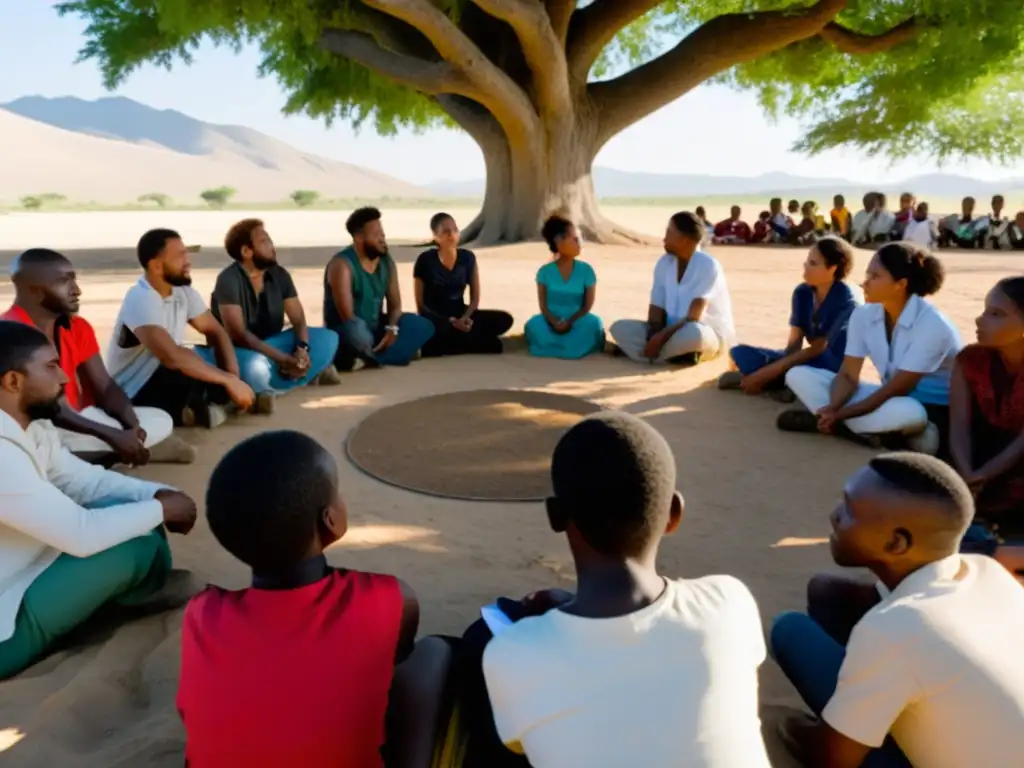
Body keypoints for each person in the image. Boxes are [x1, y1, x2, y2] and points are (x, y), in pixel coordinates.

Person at [482, 412, 771, 768]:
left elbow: (519, 746)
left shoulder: (511, 652)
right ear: (674, 513)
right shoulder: (730, 602)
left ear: (555, 516)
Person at [178, 429, 451, 766]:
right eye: (336, 493)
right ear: (330, 520)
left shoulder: (202, 614)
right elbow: (396, 661)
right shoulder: (388, 598)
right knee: (435, 653)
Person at [771, 453, 1024, 768]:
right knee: (827, 594)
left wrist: (804, 731)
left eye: (849, 510)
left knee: (789, 630)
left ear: (896, 543)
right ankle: (874, 703)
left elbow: (833, 759)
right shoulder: (987, 571)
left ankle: (862, 714)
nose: (835, 517)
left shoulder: (894, 628)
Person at [0, 321, 199, 679]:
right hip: (5, 625)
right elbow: (82, 533)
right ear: (13, 382)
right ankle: (127, 597)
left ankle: (117, 593)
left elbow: (81, 480)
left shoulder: (32, 423)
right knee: (135, 543)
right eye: (50, 367)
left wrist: (155, 494)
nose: (64, 377)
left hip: (29, 571)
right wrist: (162, 509)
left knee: (130, 518)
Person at [3, 248, 191, 465]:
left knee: (159, 418)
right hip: (37, 427)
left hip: (78, 422)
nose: (77, 290)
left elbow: (104, 386)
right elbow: (51, 408)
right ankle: (112, 454)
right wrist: (111, 435)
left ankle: (117, 451)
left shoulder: (77, 327)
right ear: (35, 291)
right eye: (64, 282)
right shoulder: (11, 336)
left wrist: (132, 426)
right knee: (42, 440)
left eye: (74, 280)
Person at [778, 243, 961, 457]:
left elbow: (897, 388)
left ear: (900, 284)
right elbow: (848, 374)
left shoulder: (933, 325)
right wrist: (834, 407)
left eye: (875, 276)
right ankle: (853, 426)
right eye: (867, 274)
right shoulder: (863, 315)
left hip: (929, 408)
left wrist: (841, 413)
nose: (865, 283)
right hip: (887, 399)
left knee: (913, 414)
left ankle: (842, 425)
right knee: (798, 375)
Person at [106, 229, 256, 429]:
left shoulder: (183, 292)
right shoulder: (141, 298)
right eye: (180, 256)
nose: (188, 262)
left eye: (186, 254)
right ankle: (204, 410)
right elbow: (171, 356)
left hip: (167, 372)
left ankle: (212, 406)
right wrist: (228, 381)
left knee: (207, 370)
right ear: (157, 266)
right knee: (185, 368)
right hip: (133, 390)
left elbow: (216, 332)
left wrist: (233, 376)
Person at [210, 219, 340, 405]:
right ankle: (290, 379)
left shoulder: (279, 274)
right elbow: (239, 335)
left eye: (270, 240)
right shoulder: (228, 279)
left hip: (274, 345)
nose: (272, 247)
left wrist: (301, 350)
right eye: (264, 242)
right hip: (239, 352)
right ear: (246, 251)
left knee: (329, 338)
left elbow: (298, 320)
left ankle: (272, 387)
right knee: (256, 369)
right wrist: (284, 359)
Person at [721, 238, 858, 395]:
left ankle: (780, 382)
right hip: (804, 359)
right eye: (807, 261)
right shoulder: (802, 292)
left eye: (813, 263)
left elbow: (819, 347)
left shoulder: (846, 301)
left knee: (798, 373)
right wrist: (774, 367)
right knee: (739, 352)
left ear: (833, 269)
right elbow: (794, 346)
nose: (805, 266)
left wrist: (765, 373)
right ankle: (782, 383)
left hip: (830, 364)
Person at [950, 278, 1024, 545]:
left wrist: (981, 476)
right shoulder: (969, 360)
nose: (980, 320)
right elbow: (958, 424)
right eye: (985, 310)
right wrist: (966, 471)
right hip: (980, 453)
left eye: (996, 315)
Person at [609, 211, 735, 366]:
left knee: (694, 334)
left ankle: (653, 355)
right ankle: (670, 355)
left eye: (669, 233)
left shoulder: (708, 265)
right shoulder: (664, 263)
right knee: (619, 328)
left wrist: (662, 337)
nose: (664, 239)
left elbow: (694, 316)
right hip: (668, 333)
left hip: (704, 332)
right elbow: (656, 308)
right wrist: (653, 334)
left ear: (683, 240)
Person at [324, 207, 435, 370]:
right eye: (376, 235)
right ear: (359, 237)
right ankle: (385, 355)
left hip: (377, 328)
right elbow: (347, 316)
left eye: (382, 234)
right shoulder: (342, 265)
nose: (382, 239)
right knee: (356, 331)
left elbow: (395, 305)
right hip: (349, 332)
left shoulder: (386, 262)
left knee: (422, 325)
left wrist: (392, 329)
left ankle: (366, 359)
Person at [413, 212, 514, 356]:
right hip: (437, 320)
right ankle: (464, 342)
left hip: (461, 314)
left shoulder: (467, 258)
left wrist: (465, 318)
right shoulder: (425, 260)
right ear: (436, 236)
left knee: (504, 319)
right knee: (493, 345)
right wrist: (449, 321)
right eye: (446, 231)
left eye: (455, 230)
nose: (451, 235)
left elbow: (475, 299)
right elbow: (421, 305)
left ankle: (455, 343)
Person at [523, 216, 605, 359]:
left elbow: (587, 306)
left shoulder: (586, 270)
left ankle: (562, 347)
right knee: (534, 325)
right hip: (551, 321)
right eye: (574, 239)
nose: (579, 244)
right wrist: (554, 321)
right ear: (559, 241)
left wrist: (570, 321)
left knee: (593, 323)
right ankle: (561, 346)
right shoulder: (545, 272)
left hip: (578, 320)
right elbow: (543, 306)